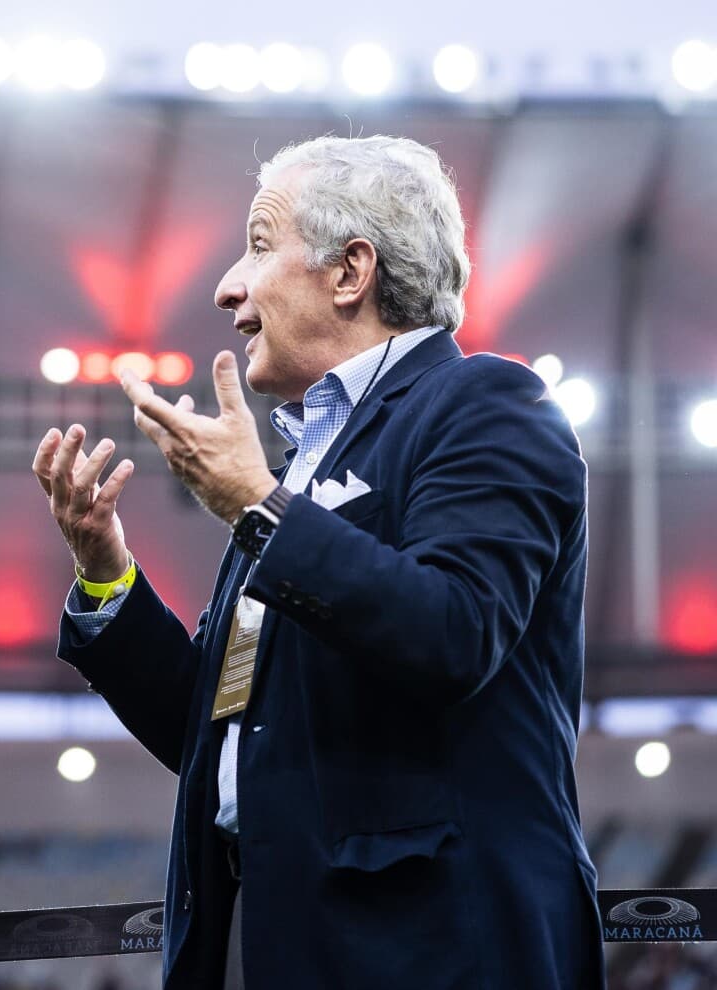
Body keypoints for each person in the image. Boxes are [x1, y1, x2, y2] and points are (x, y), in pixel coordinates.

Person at [33, 135, 604, 989]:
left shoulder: (486, 405)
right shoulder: (296, 465)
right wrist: (108, 574)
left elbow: (456, 630)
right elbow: (220, 727)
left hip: (429, 946)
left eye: (259, 246)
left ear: (350, 272)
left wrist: (255, 506)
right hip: (267, 930)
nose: (228, 285)